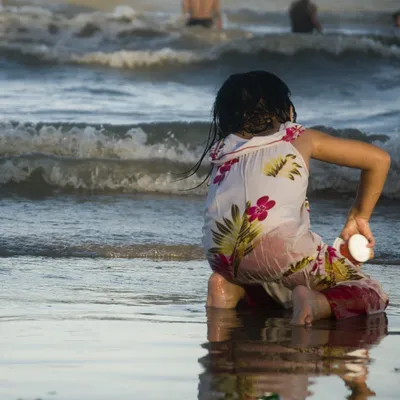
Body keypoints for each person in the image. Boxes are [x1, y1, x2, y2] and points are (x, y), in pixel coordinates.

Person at [192, 70, 390, 326]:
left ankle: (228, 287)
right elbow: (378, 160)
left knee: (267, 275)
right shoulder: (297, 138)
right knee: (372, 292)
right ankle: (316, 303)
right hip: (281, 251)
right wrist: (359, 216)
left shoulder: (222, 151)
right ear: (286, 110)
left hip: (220, 256)